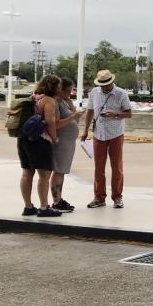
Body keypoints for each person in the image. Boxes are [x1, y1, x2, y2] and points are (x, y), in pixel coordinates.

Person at [81, 69, 132, 209]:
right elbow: (90, 111)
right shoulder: (94, 93)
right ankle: (99, 197)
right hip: (98, 134)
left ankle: (117, 197)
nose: (104, 87)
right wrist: (85, 130)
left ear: (112, 82)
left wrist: (115, 114)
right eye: (102, 85)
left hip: (115, 133)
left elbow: (129, 114)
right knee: (98, 168)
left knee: (116, 167)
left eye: (107, 85)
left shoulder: (121, 94)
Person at [17, 75, 62, 218]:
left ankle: (28, 206)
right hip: (39, 140)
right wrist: (54, 137)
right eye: (59, 86)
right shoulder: (48, 100)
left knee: (27, 173)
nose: (60, 89)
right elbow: (50, 121)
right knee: (44, 175)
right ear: (53, 87)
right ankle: (44, 207)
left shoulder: (34, 97)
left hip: (24, 139)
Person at [49, 77, 83, 212]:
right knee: (58, 171)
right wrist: (72, 117)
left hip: (68, 142)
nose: (70, 94)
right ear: (60, 90)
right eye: (68, 91)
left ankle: (59, 199)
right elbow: (56, 123)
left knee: (62, 172)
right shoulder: (56, 102)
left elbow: (76, 119)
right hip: (61, 141)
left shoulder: (64, 101)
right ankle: (56, 201)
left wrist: (71, 105)